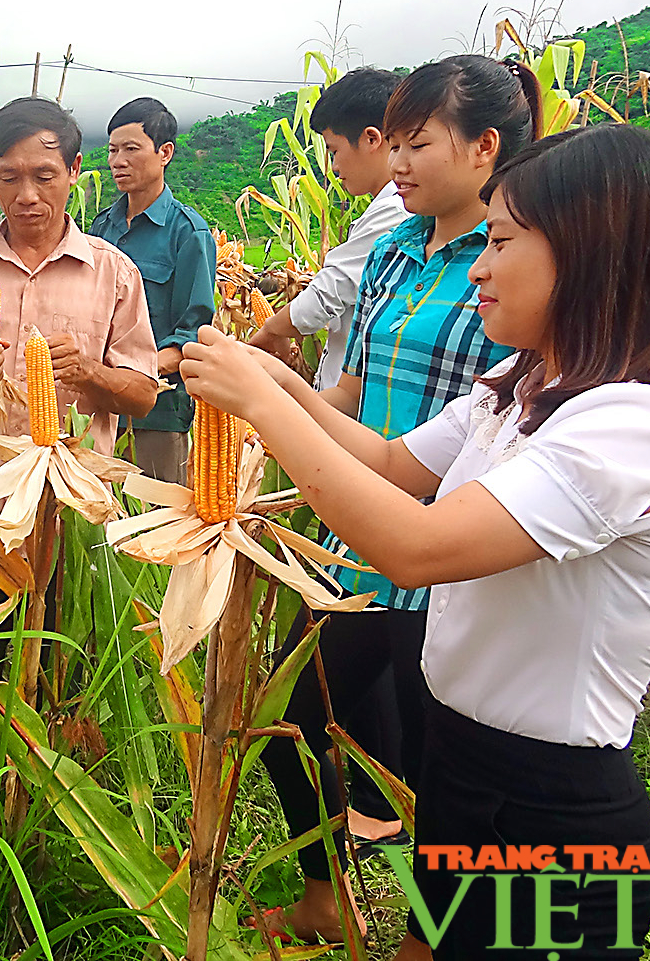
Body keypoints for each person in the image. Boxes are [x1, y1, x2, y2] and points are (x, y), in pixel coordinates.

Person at [182, 122, 650, 958]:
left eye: (503, 242)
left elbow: (418, 547)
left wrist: (260, 409)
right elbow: (391, 462)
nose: (478, 266)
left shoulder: (626, 426)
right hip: (460, 762)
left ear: (590, 255)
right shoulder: (513, 389)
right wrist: (279, 380)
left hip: (553, 812)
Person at [244, 55, 542, 943]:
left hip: (447, 553)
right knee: (284, 721)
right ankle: (326, 893)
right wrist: (271, 393)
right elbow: (355, 395)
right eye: (393, 143)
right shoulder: (393, 251)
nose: (396, 162)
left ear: (486, 147)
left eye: (417, 143)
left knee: (433, 768)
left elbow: (487, 429)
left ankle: (429, 929)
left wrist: (273, 402)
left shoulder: (514, 268)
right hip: (353, 536)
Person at [0, 97, 159, 742]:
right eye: (9, 177)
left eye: (44, 176)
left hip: (71, 517)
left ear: (73, 172)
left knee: (62, 676)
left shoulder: (113, 272)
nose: (27, 194)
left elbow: (143, 395)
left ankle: (51, 817)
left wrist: (91, 373)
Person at [249, 67, 410, 846]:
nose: (335, 169)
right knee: (362, 648)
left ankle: (374, 823)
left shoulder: (399, 224)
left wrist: (269, 359)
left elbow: (327, 303)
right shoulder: (401, 232)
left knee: (317, 682)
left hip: (380, 486)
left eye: (339, 152)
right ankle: (376, 812)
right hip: (359, 455)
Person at [249, 68, 408, 391]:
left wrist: (267, 334)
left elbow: (325, 296)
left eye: (334, 150)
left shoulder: (396, 211)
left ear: (371, 139)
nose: (333, 167)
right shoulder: (385, 207)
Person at [88, 98, 215, 483]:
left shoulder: (188, 234)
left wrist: (134, 373)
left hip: (156, 415)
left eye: (131, 149)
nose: (117, 161)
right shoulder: (101, 229)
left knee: (154, 528)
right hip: (97, 409)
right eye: (112, 150)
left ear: (164, 153)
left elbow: (193, 335)